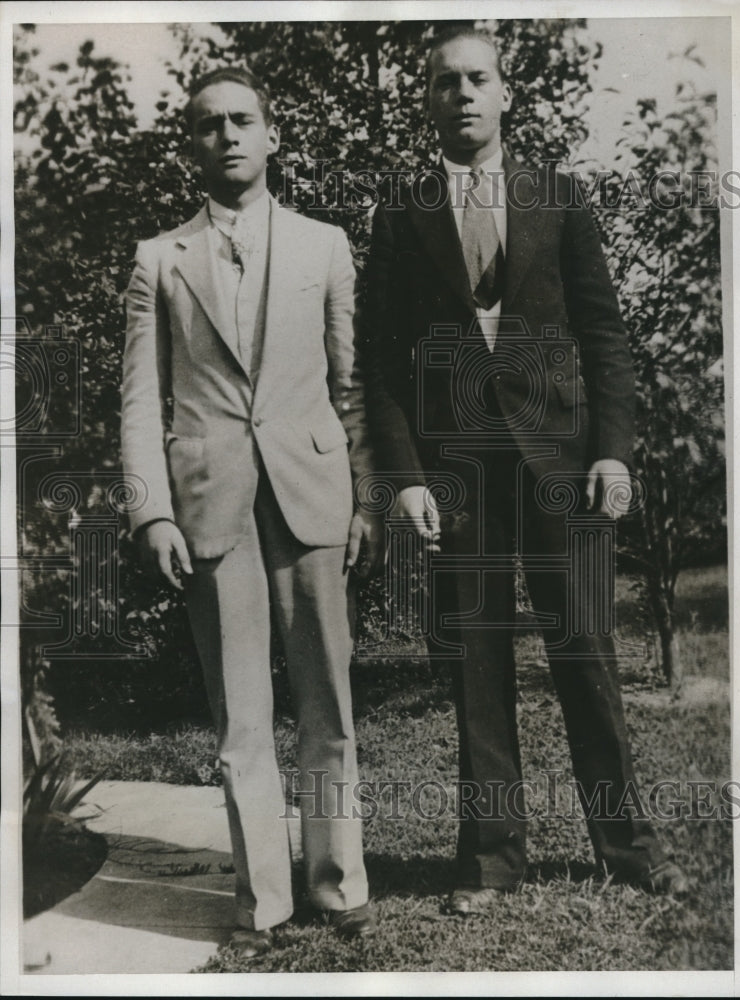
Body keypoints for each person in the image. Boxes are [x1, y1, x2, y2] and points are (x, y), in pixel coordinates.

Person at [363, 25, 688, 915]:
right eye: (443, 82)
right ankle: (490, 861)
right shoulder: (401, 209)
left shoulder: (559, 197)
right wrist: (407, 480)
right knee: (475, 659)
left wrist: (613, 452)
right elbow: (381, 362)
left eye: (477, 79)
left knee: (585, 652)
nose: (461, 94)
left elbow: (604, 334)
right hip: (457, 470)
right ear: (425, 99)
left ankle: (629, 849)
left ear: (506, 93)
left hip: (563, 461)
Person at [121, 66, 380, 957]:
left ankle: (337, 883)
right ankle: (264, 901)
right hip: (210, 504)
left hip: (311, 496)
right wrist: (151, 512)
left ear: (272, 135)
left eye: (242, 120)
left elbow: (352, 388)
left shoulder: (325, 246)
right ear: (188, 146)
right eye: (207, 125)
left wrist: (363, 495)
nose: (227, 135)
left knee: (327, 700)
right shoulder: (159, 259)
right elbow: (139, 401)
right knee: (239, 713)